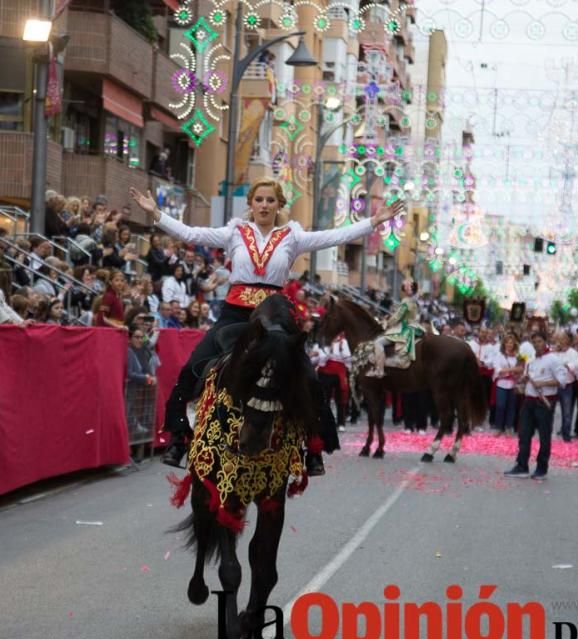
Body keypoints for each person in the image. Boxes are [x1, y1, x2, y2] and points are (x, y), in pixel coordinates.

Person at [129, 179, 404, 472]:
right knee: (193, 367)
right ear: (251, 203)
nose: (264, 205)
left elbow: (333, 236)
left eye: (270, 200)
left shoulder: (292, 236)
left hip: (274, 316)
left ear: (279, 205)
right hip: (235, 313)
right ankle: (179, 439)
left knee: (308, 377)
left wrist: (372, 222)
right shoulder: (234, 232)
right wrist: (156, 214)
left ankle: (312, 448)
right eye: (259, 199)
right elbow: (191, 233)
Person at [504, 331, 568, 480]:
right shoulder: (531, 359)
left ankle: (541, 468)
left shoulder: (554, 359)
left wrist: (543, 383)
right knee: (524, 434)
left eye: (539, 341)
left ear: (545, 342)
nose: (537, 345)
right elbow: (527, 378)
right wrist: (522, 383)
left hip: (545, 402)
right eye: (535, 342)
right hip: (529, 401)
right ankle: (521, 466)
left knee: (544, 436)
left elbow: (563, 381)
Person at [371, 280, 423, 376]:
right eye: (406, 286)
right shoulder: (414, 301)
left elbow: (397, 317)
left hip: (404, 328)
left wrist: (386, 323)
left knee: (378, 342)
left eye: (409, 286)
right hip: (414, 326)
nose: (407, 288)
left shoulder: (406, 301)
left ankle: (380, 370)